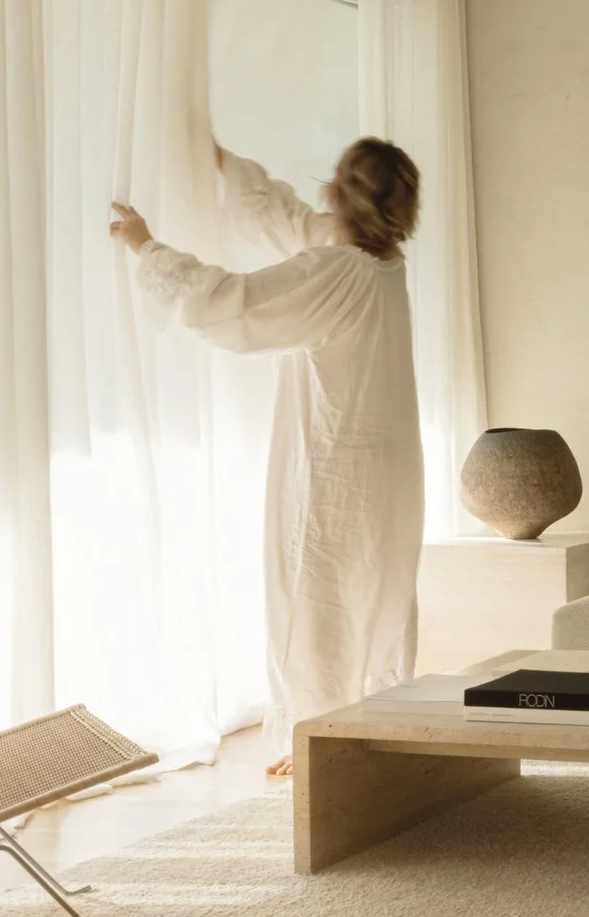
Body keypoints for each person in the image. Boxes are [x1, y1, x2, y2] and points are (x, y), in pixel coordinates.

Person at [108, 139, 423, 777]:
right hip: (385, 463)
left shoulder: (342, 270)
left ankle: (323, 747)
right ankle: (349, 734)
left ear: (339, 193)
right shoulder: (381, 262)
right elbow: (288, 221)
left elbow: (234, 301)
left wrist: (145, 245)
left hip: (339, 464)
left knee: (321, 593)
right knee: (368, 589)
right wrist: (227, 165)